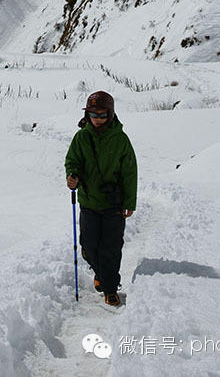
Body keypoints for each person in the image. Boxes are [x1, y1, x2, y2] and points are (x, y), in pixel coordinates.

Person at [65, 90, 137, 307]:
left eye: (102, 115)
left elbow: (130, 172)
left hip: (113, 204)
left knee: (111, 247)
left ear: (111, 115)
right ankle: (100, 273)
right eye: (93, 115)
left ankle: (110, 287)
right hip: (88, 201)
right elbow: (72, 160)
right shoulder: (81, 137)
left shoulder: (121, 140)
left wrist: (129, 203)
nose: (97, 119)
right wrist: (72, 175)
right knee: (88, 245)